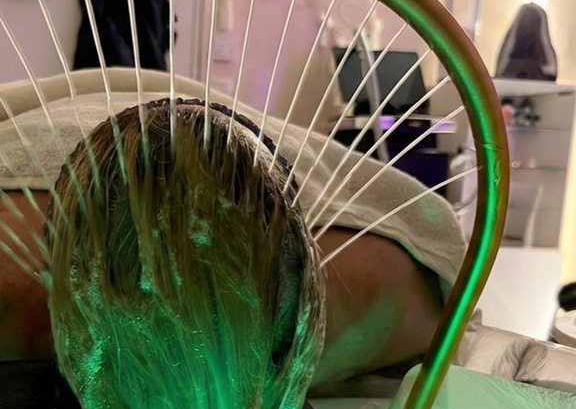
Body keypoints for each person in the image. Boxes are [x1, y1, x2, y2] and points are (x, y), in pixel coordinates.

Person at [0, 68, 465, 386]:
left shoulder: (377, 278)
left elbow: (451, 308)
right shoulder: (19, 281)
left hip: (220, 120)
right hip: (62, 105)